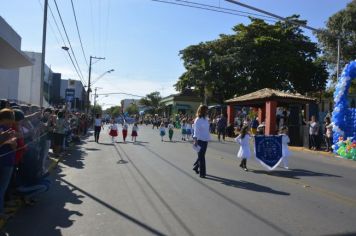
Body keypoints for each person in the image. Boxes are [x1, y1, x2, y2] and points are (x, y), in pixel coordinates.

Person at [0, 108, 17, 221]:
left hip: (7, 161)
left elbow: (14, 145)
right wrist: (7, 141)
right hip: (5, 162)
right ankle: (0, 212)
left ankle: (2, 208)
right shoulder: (6, 130)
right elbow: (13, 145)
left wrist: (11, 141)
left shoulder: (8, 129)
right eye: (10, 118)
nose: (12, 121)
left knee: (2, 189)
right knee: (2, 189)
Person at [192, 105, 211, 178]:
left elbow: (207, 129)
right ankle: (202, 173)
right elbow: (196, 131)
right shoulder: (198, 119)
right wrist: (195, 140)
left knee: (201, 156)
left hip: (205, 140)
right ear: (203, 110)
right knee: (202, 157)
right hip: (199, 140)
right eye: (206, 110)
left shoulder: (206, 119)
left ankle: (196, 167)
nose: (207, 111)